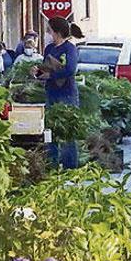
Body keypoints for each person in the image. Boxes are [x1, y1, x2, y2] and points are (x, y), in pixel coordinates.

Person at [33, 17, 82, 169]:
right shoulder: (49, 49)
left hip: (67, 94)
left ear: (57, 32)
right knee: (51, 129)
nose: (48, 33)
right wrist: (38, 72)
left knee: (66, 131)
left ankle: (70, 166)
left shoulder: (70, 48)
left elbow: (70, 69)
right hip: (51, 92)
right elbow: (45, 67)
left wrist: (51, 76)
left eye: (49, 30)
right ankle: (52, 164)